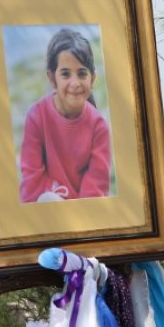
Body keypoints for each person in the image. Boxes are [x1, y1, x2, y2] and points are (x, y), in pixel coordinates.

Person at [18, 27, 112, 203]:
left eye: (82, 73)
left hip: (82, 215)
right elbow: (31, 184)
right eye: (66, 74)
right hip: (46, 208)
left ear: (92, 78)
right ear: (52, 78)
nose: (75, 83)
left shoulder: (99, 127)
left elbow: (95, 191)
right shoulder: (37, 116)